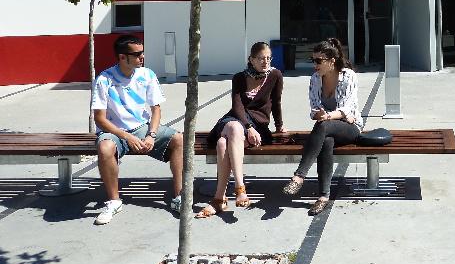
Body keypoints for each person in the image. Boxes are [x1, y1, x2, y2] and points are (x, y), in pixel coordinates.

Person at [91, 35, 184, 225]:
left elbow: (156, 110)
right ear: (122, 57)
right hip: (115, 131)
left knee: (179, 139)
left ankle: (179, 197)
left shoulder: (147, 75)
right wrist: (126, 136)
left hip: (142, 127)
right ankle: (114, 202)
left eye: (143, 52)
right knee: (105, 148)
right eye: (137, 54)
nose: (142, 57)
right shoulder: (104, 79)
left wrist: (151, 135)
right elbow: (99, 118)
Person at [196, 42, 286, 218]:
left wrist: (279, 125)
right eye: (261, 58)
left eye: (268, 58)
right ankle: (240, 187)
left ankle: (218, 200)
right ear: (251, 59)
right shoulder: (239, 78)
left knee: (223, 144)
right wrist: (248, 127)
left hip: (259, 126)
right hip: (236, 120)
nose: (265, 62)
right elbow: (237, 106)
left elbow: (276, 102)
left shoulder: (275, 75)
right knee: (234, 127)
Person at [282, 38, 363, 215]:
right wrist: (319, 114)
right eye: (313, 60)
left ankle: (299, 176)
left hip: (351, 128)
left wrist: (327, 116)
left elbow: (347, 109)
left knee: (324, 126)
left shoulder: (348, 76)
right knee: (326, 141)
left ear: (331, 61)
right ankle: (323, 197)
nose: (315, 65)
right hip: (327, 128)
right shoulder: (315, 79)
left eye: (319, 61)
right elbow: (314, 108)